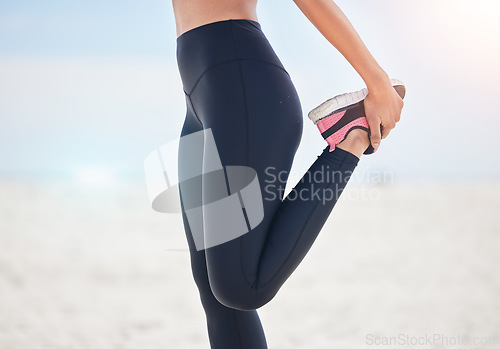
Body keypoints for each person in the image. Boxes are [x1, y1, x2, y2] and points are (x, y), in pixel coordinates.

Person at [172, 0, 404, 347]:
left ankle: (351, 138)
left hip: (242, 89)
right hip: (202, 101)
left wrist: (377, 81)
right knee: (215, 294)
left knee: (241, 287)